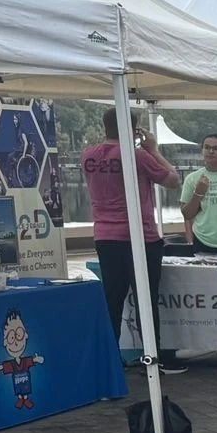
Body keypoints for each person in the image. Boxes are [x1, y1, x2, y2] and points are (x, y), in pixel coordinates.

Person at [80, 109, 184, 373]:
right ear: (134, 129)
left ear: (104, 126)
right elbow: (173, 180)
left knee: (112, 300)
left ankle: (109, 362)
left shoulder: (88, 156)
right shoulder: (138, 156)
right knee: (145, 301)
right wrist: (153, 149)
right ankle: (154, 358)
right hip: (140, 236)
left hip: (105, 235)